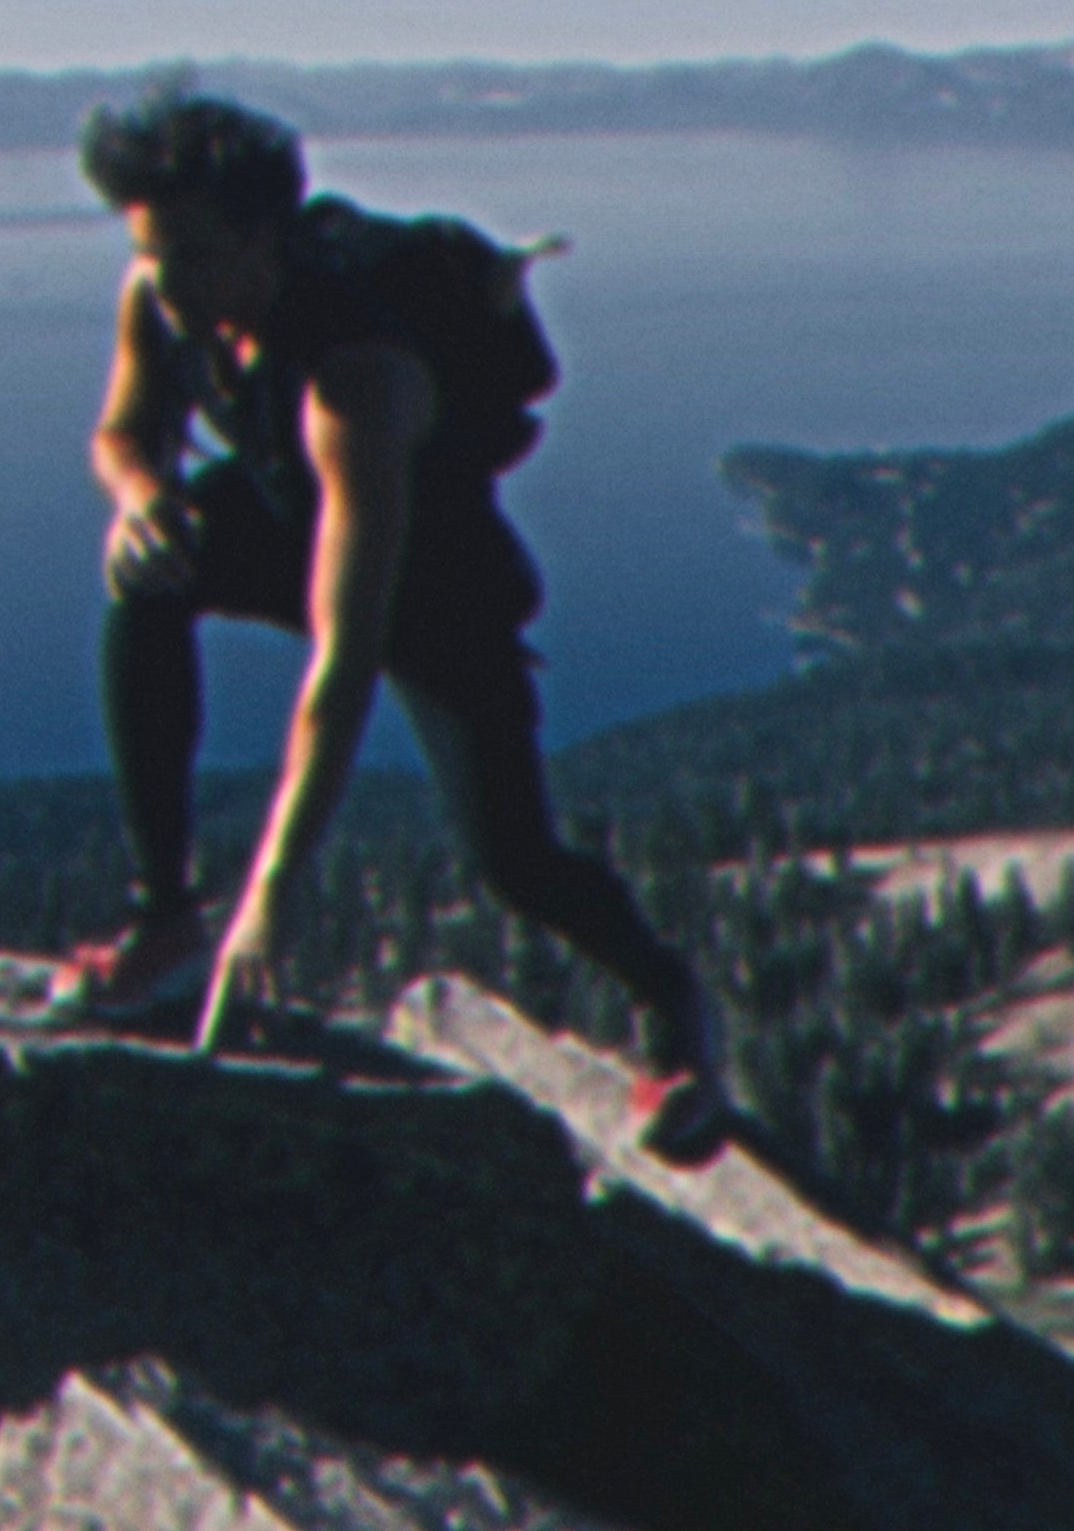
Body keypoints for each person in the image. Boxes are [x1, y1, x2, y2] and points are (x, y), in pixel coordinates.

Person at [66, 83, 732, 1159]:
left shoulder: (358, 377)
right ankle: (161, 918)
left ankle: (671, 1004)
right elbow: (121, 431)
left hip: (432, 584)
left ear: (260, 237)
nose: (163, 277)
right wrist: (142, 497)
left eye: (188, 251)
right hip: (285, 516)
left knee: (513, 860)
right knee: (145, 580)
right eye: (149, 248)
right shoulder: (163, 296)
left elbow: (345, 663)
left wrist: (272, 892)